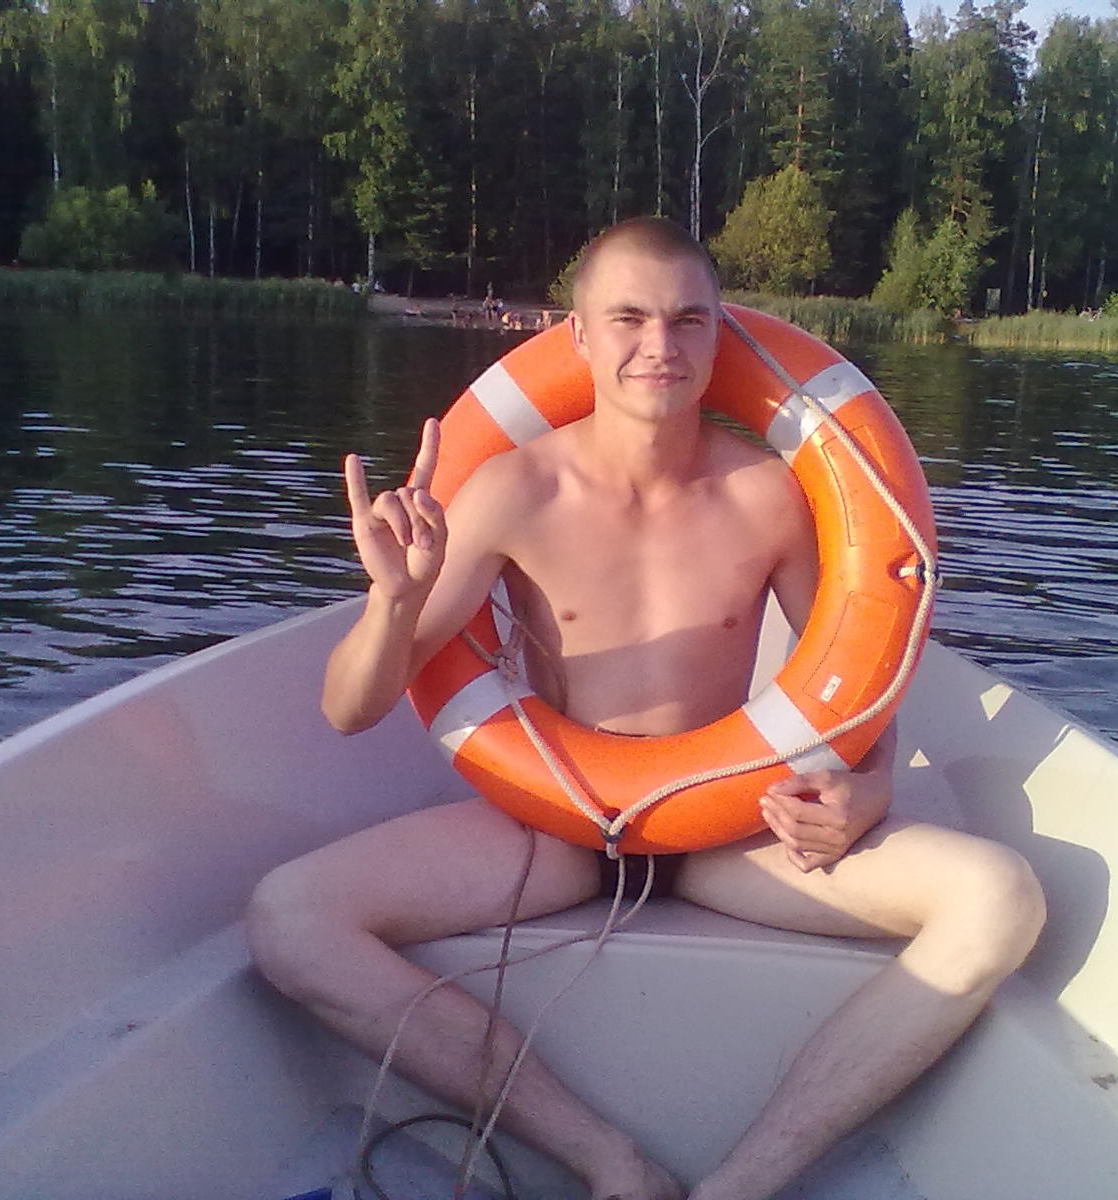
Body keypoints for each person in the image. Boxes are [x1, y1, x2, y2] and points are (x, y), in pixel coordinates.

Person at [247, 217, 1045, 1200]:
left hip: (733, 835)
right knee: (289, 918)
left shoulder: (768, 496)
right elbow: (348, 709)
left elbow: (857, 689)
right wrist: (395, 600)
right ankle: (605, 1160)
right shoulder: (514, 490)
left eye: (686, 319)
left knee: (999, 899)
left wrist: (867, 792)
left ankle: (741, 1184)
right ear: (578, 335)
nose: (658, 346)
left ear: (720, 333)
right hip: (553, 829)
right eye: (627, 318)